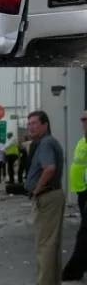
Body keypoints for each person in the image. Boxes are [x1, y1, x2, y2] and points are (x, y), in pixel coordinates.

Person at [25, 110, 65, 285]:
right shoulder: (45, 142)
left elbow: (49, 168)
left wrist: (37, 190)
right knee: (51, 244)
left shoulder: (46, 143)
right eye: (29, 124)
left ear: (45, 125)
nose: (31, 127)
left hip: (47, 195)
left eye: (34, 123)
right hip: (52, 195)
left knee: (45, 245)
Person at [62, 110, 87, 281]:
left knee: (84, 233)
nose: (83, 122)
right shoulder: (82, 141)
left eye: (86, 119)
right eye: (82, 119)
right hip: (82, 191)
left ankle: (75, 269)